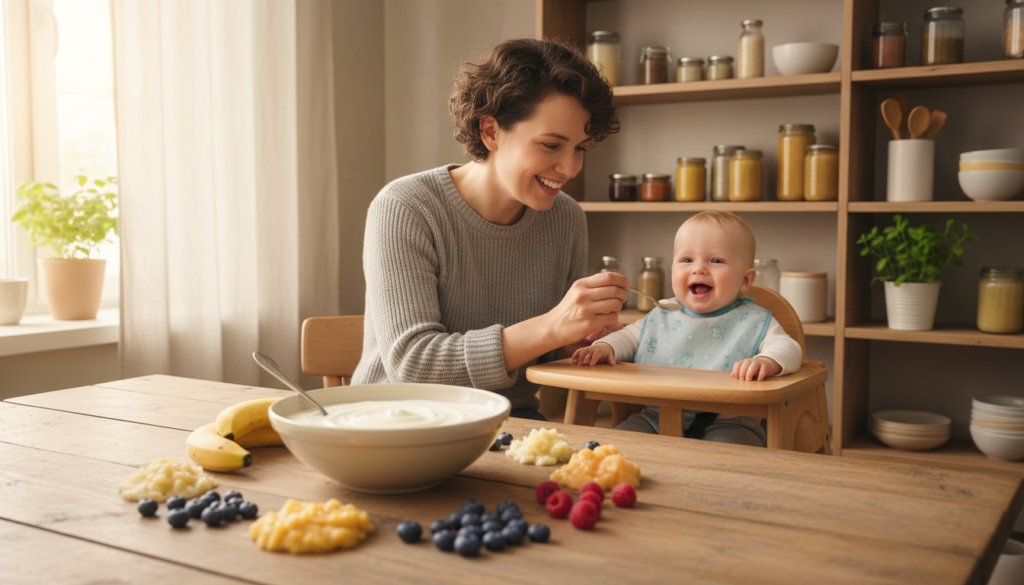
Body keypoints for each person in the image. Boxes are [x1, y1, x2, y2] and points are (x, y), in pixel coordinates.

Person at [352, 38, 629, 420]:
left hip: (509, 423)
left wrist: (576, 340)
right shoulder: (406, 207)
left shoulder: (566, 219)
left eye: (579, 148)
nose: (569, 168)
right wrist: (551, 327)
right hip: (397, 422)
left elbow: (539, 350)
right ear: (490, 132)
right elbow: (412, 363)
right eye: (551, 145)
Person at [571, 211, 803, 446]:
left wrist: (767, 361)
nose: (698, 269)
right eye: (686, 260)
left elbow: (789, 347)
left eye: (716, 261)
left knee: (728, 462)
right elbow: (629, 337)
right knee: (617, 445)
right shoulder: (662, 315)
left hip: (730, 423)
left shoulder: (753, 322)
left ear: (745, 280)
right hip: (655, 418)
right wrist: (604, 346)